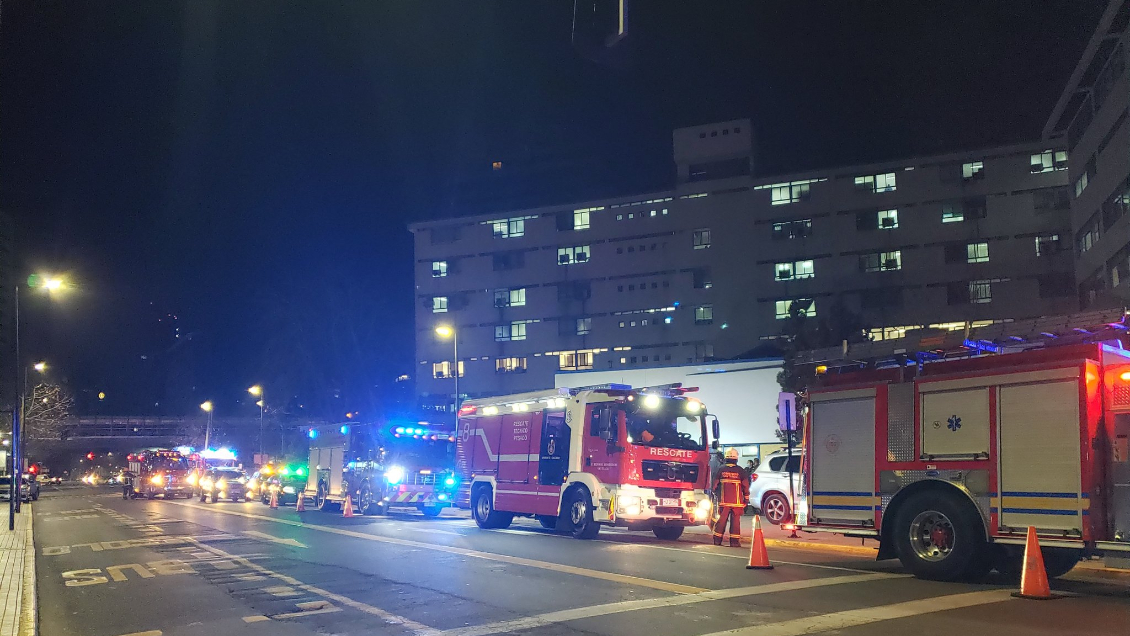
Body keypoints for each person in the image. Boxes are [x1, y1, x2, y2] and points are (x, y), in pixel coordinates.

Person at [712, 448, 750, 547]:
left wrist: (717, 494)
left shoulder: (721, 469)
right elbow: (746, 486)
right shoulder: (741, 471)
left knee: (721, 521)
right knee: (735, 523)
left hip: (724, 501)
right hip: (737, 503)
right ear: (736, 458)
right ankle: (734, 542)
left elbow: (714, 485)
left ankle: (717, 540)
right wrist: (746, 499)